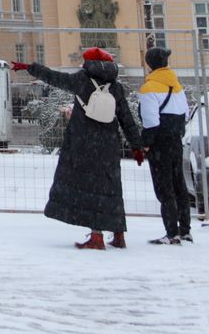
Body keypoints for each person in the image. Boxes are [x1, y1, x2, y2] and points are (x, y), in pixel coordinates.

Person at [11, 47, 145, 249]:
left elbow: (54, 77)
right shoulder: (115, 86)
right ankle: (119, 235)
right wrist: (136, 146)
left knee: (91, 189)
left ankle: (97, 236)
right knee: (111, 188)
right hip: (109, 145)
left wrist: (30, 67)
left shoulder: (81, 80)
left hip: (84, 143)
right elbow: (126, 118)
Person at [138, 46, 193, 244]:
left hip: (160, 142)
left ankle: (171, 233)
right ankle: (185, 229)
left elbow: (150, 121)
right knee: (179, 185)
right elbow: (185, 113)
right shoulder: (176, 85)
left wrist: (146, 144)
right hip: (176, 140)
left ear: (149, 65)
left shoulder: (149, 88)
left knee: (164, 188)